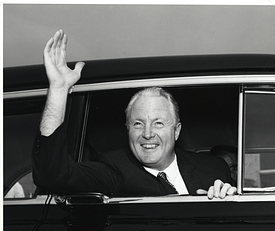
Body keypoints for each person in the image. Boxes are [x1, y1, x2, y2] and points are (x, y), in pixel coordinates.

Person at [32, 29, 237, 199]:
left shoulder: (213, 169)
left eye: (158, 123)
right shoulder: (115, 169)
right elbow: (53, 176)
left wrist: (227, 201)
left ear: (176, 131)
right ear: (128, 130)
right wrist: (58, 90)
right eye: (138, 124)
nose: (147, 134)